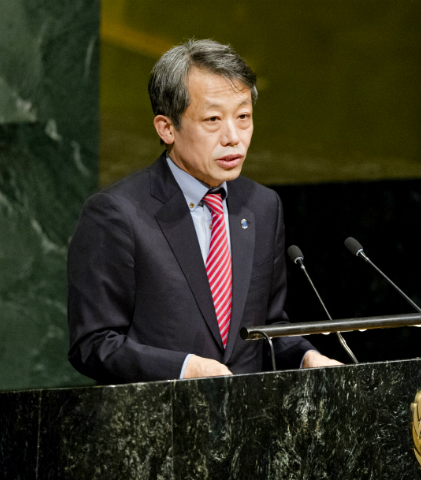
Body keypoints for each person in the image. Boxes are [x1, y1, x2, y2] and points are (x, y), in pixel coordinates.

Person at [67, 39, 341, 382]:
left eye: (243, 117)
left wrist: (306, 358)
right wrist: (185, 370)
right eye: (213, 119)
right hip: (161, 424)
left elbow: (268, 328)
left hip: (247, 423)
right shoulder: (116, 214)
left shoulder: (261, 205)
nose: (233, 137)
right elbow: (93, 343)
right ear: (167, 128)